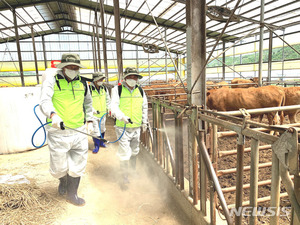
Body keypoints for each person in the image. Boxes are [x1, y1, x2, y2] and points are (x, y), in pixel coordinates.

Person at [40, 53, 94, 206]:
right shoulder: (52, 81)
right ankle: (62, 181)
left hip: (78, 130)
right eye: (70, 67)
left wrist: (89, 120)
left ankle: (72, 194)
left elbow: (88, 104)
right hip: (58, 131)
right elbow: (44, 100)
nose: (73, 69)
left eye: (76, 67)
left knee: (78, 164)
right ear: (63, 67)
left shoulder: (82, 83)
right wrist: (53, 115)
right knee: (59, 167)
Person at [111, 67, 148, 188]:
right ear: (125, 78)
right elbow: (114, 107)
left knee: (135, 150)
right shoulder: (117, 90)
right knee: (124, 151)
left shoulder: (141, 91)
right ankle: (124, 176)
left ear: (137, 79)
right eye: (130, 77)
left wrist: (144, 122)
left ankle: (132, 171)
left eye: (135, 77)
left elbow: (144, 108)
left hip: (136, 127)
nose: (132, 79)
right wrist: (122, 117)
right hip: (123, 127)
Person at [89, 71, 111, 153]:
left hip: (103, 113)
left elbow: (108, 100)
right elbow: (86, 102)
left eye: (102, 79)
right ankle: (96, 145)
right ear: (94, 80)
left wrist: (109, 109)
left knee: (102, 129)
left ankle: (101, 143)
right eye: (100, 79)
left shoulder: (104, 89)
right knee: (95, 131)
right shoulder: (89, 89)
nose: (101, 81)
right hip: (93, 114)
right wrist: (92, 110)